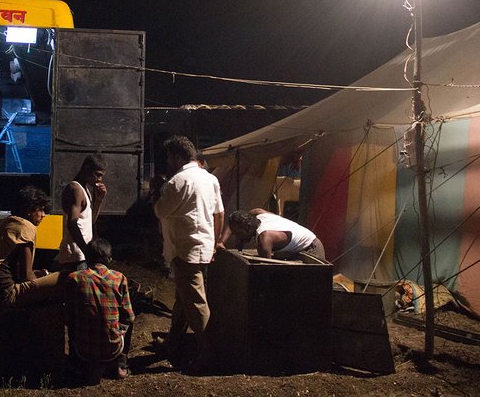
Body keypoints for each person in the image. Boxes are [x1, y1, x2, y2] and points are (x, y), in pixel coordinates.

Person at [151, 135, 224, 368]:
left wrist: (156, 193)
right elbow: (218, 214)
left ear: (176, 156)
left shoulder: (177, 182)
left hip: (184, 249)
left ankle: (209, 354)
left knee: (196, 303)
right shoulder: (210, 179)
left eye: (169, 157)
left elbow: (160, 211)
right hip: (202, 247)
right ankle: (173, 344)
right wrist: (214, 243)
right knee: (183, 300)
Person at [0, 185, 60, 306]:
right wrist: (41, 281)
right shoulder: (24, 228)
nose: (44, 215)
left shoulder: (4, 223)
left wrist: (38, 274)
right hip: (6, 293)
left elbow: (11, 266)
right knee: (64, 279)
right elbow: (26, 276)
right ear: (29, 210)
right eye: (41, 210)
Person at [65, 237, 134, 384]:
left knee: (72, 317)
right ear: (109, 259)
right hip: (113, 348)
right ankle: (121, 365)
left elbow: (69, 314)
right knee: (129, 320)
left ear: (87, 258)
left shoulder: (74, 278)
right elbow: (129, 317)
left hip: (83, 349)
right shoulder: (119, 278)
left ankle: (75, 362)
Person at [219, 207, 327, 262]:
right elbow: (234, 220)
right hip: (300, 249)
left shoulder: (264, 239)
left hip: (311, 249)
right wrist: (222, 242)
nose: (237, 237)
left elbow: (267, 271)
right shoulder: (258, 213)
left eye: (238, 234)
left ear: (247, 228)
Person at [58, 154, 107, 271]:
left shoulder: (84, 190)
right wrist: (87, 251)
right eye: (98, 175)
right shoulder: (75, 190)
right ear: (87, 169)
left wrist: (99, 200)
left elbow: (91, 221)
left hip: (81, 256)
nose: (100, 180)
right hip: (75, 257)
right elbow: (72, 223)